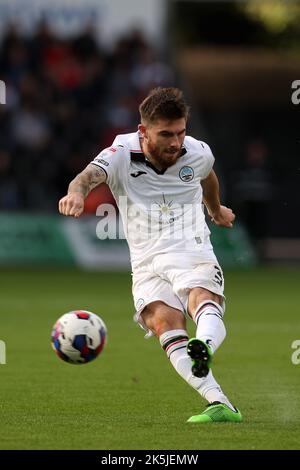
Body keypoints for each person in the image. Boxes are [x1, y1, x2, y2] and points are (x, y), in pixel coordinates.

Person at [59, 87, 242, 423]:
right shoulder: (118, 154)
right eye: (166, 134)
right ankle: (220, 403)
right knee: (164, 325)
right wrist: (75, 194)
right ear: (143, 131)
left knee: (200, 298)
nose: (176, 142)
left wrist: (214, 210)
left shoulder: (197, 152)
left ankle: (206, 346)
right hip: (144, 260)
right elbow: (85, 178)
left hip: (189, 244)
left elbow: (207, 176)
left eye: (181, 132)